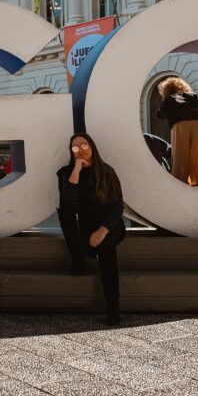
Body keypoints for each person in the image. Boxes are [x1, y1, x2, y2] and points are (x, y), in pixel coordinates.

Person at [57, 133, 126, 326]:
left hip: (110, 226)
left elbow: (117, 207)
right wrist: (77, 170)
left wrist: (102, 231)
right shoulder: (67, 173)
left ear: (92, 147)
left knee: (106, 249)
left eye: (84, 145)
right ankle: (80, 257)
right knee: (65, 212)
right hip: (86, 227)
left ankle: (113, 308)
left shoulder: (106, 172)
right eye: (75, 147)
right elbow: (67, 200)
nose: (80, 149)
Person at [157, 77, 198, 186]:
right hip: (196, 125)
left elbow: (161, 113)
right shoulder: (194, 96)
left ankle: (180, 182)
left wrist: (161, 112)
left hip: (180, 125)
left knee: (180, 155)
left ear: (167, 89)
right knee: (196, 153)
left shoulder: (169, 99)